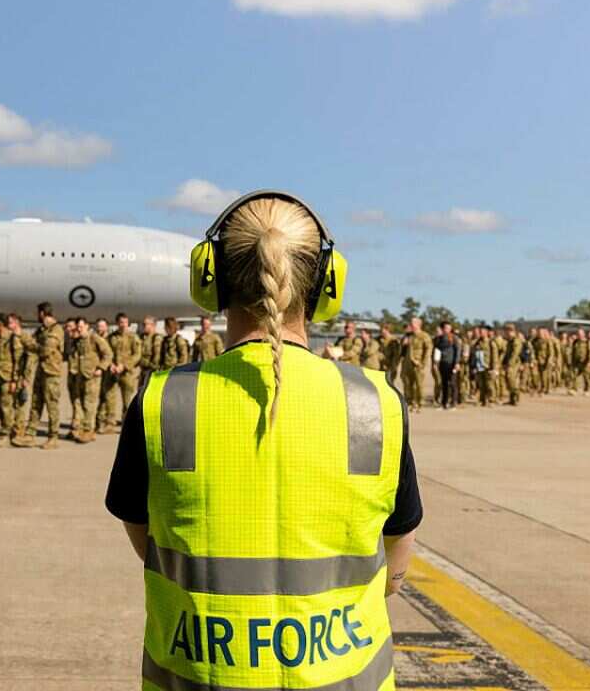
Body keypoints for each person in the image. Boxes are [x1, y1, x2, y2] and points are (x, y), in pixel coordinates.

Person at [105, 191, 420, 690]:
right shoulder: (374, 403)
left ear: (210, 281)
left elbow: (147, 538)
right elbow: (394, 565)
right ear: (325, 285)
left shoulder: (163, 402)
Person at [19, 303, 66, 449]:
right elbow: (34, 344)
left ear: (42, 313)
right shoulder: (42, 330)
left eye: (38, 313)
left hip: (52, 373)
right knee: (35, 403)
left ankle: (53, 437)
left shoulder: (56, 330)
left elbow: (45, 350)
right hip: (41, 371)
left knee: (52, 405)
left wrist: (27, 340)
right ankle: (30, 434)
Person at [71, 317, 113, 443]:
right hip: (80, 375)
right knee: (80, 402)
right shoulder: (78, 341)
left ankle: (89, 430)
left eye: (81, 327)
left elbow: (108, 353)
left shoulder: (94, 338)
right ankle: (82, 428)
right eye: (78, 327)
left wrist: (101, 367)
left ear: (87, 326)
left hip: (92, 376)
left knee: (90, 404)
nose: (79, 329)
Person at [102, 312, 142, 432]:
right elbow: (107, 352)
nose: (123, 325)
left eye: (125, 322)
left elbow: (137, 355)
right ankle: (110, 422)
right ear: (117, 323)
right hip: (113, 372)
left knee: (127, 400)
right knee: (110, 398)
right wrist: (111, 365)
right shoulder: (111, 337)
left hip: (127, 373)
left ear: (128, 323)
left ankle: (127, 424)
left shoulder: (133, 337)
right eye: (120, 322)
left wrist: (124, 366)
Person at [0, 313, 24, 446]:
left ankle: (7, 434)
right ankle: (8, 428)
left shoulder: (12, 338)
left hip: (8, 378)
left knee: (6, 407)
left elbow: (18, 360)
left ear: (0, 323)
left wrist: (15, 380)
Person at [7, 313, 38, 444]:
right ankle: (14, 430)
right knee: (12, 404)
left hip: (21, 377)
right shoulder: (10, 337)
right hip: (12, 376)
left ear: (16, 323)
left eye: (10, 322)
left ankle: (19, 432)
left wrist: (26, 378)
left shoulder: (24, 337)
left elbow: (31, 358)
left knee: (20, 404)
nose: (8, 325)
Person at [401, 318, 432, 413]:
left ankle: (419, 403)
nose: (411, 325)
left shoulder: (424, 336)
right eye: (411, 323)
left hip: (417, 363)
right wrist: (403, 343)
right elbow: (402, 350)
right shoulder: (409, 336)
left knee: (418, 385)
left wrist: (423, 363)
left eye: (413, 323)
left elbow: (428, 349)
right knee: (407, 384)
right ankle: (409, 403)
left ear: (419, 324)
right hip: (407, 363)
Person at [433, 321, 459, 409]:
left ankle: (453, 403)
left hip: (451, 364)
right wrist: (435, 362)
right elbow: (436, 350)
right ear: (442, 329)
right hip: (442, 364)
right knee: (444, 384)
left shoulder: (454, 338)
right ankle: (444, 403)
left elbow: (457, 351)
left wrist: (456, 363)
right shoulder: (438, 339)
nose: (448, 330)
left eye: (449, 328)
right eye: (446, 328)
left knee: (452, 384)